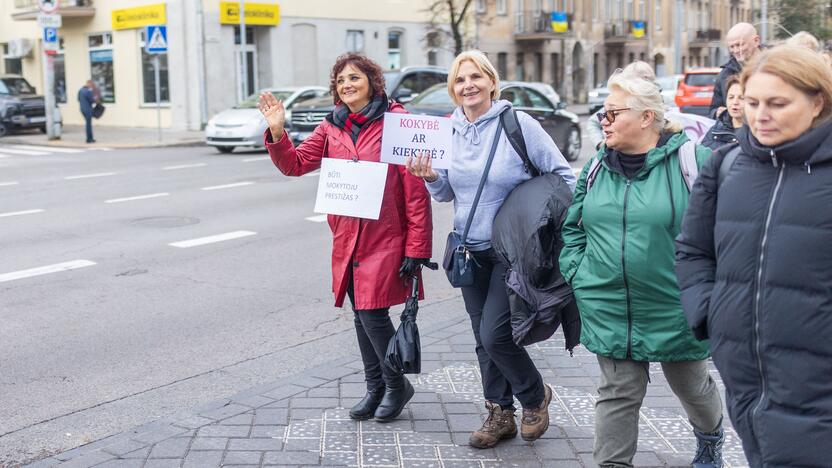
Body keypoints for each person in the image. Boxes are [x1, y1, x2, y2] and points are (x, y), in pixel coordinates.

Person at [406, 50, 576, 449]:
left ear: (491, 82)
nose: (468, 85)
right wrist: (430, 177)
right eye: (460, 80)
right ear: (453, 89)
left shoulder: (518, 124)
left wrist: (533, 218)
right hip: (468, 249)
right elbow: (446, 191)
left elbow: (562, 176)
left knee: (496, 335)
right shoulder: (445, 131)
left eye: (476, 77)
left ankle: (535, 396)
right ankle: (499, 413)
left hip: (511, 251)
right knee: (483, 339)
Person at [559, 67, 725, 468]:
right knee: (617, 392)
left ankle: (710, 436)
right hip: (609, 303)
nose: (603, 119)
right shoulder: (597, 167)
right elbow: (573, 227)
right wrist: (579, 273)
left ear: (647, 117)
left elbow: (724, 234)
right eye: (602, 112)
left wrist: (705, 291)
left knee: (691, 385)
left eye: (614, 112)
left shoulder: (694, 161)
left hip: (674, 305)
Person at [676, 45, 832, 468]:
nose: (760, 114)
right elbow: (693, 249)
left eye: (777, 103)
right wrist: (710, 314)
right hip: (744, 372)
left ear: (817, 101)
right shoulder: (725, 165)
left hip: (818, 380)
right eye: (753, 101)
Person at [258, 53, 433, 422]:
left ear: (372, 81)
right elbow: (295, 164)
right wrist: (277, 130)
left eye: (354, 77)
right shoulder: (332, 125)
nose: (346, 85)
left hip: (386, 237)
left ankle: (396, 384)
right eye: (340, 80)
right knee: (361, 315)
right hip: (348, 238)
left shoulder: (397, 122)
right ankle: (376, 388)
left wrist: (416, 248)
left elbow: (415, 192)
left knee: (372, 312)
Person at [586, 61, 655, 150]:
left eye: (615, 114)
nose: (604, 122)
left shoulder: (667, 109)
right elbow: (593, 122)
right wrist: (600, 143)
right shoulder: (619, 104)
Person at [709, 22, 761, 118]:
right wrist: (717, 113)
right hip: (735, 132)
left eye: (739, 45)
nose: (736, 51)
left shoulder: (775, 68)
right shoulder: (725, 75)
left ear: (756, 41)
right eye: (732, 47)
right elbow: (712, 110)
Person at [701, 75, 742, 150]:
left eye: (741, 98)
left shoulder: (758, 133)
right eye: (731, 97)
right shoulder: (715, 130)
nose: (735, 102)